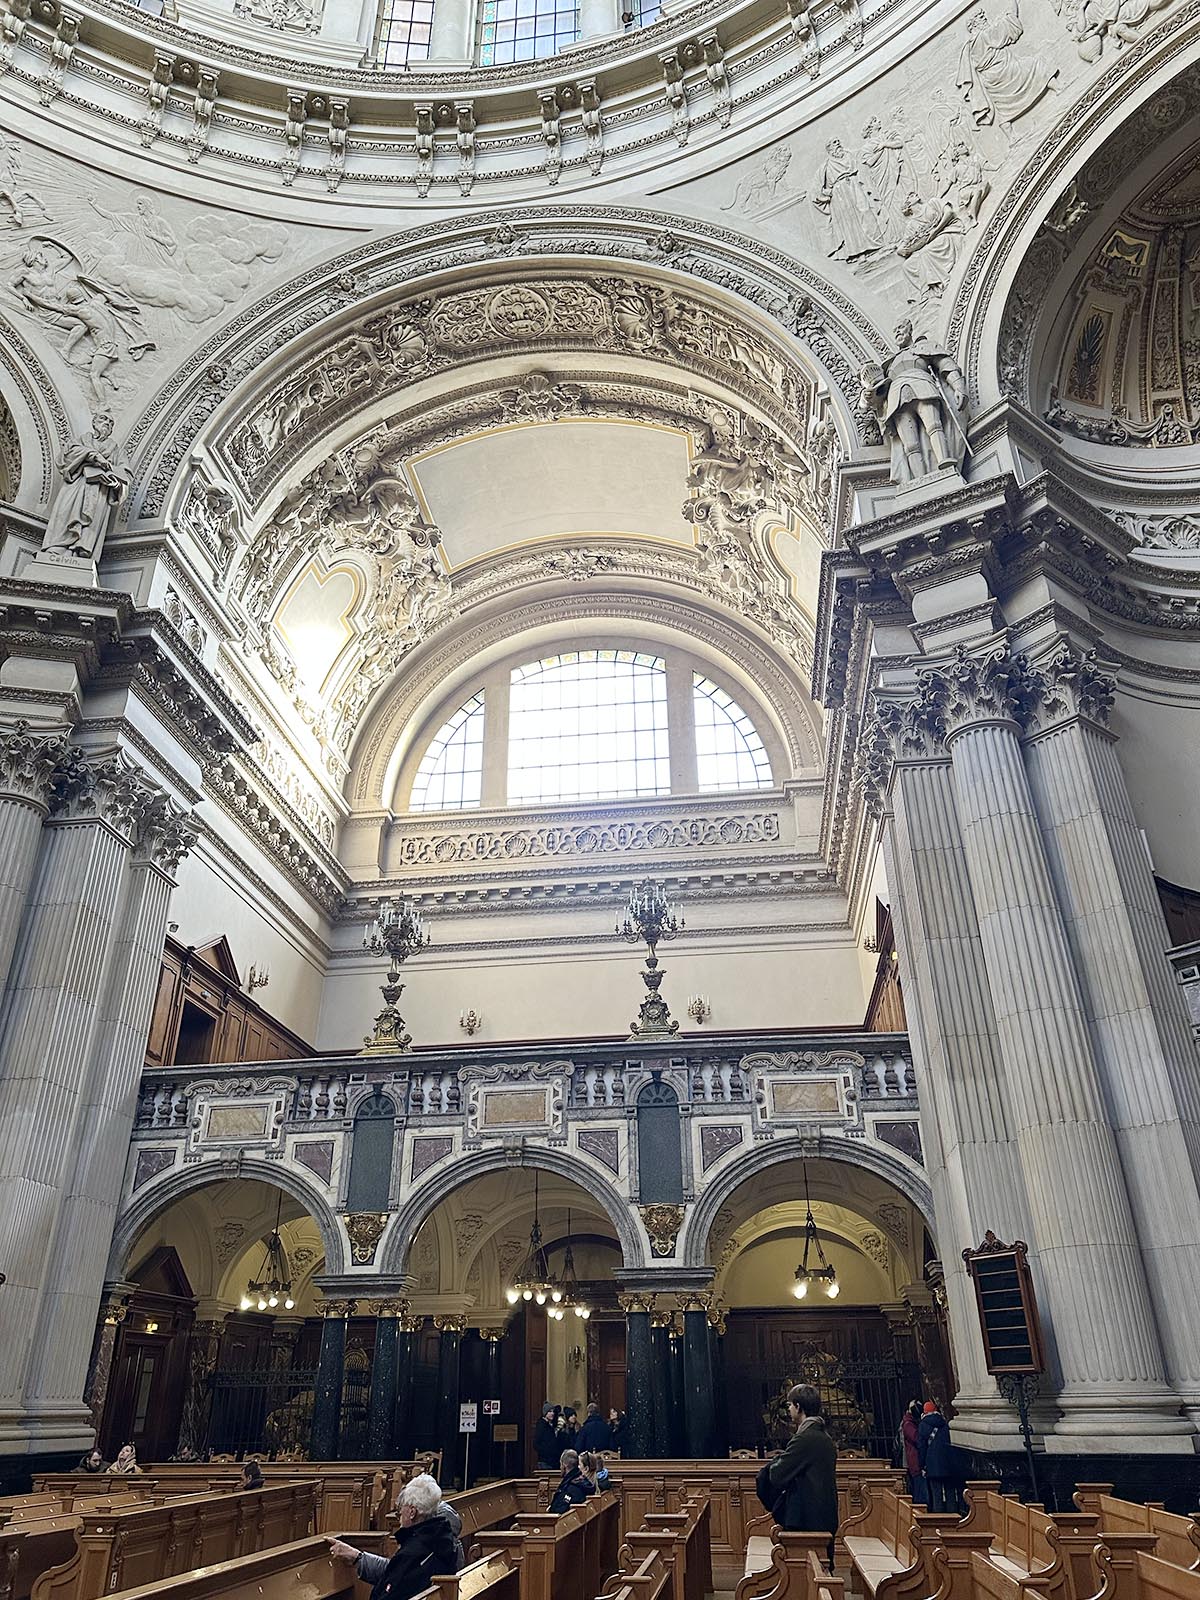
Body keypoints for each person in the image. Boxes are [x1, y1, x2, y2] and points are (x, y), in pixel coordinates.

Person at [330, 1473, 460, 1600]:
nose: (399, 1515)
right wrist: (358, 1557)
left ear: (412, 1512)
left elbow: (390, 1588)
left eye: (401, 1509)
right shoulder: (439, 1537)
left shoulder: (415, 1550)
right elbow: (396, 1573)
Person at [763, 1385, 838, 1567]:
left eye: (790, 1405)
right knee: (821, 1567)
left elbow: (777, 1474)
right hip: (823, 1513)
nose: (788, 1409)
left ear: (798, 1406)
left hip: (808, 1517)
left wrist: (773, 1465)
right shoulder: (824, 1437)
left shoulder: (805, 1438)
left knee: (805, 1569)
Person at [918, 1400, 956, 1512]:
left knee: (936, 1494)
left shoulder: (923, 1425)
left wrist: (922, 1464)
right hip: (947, 1462)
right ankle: (953, 1516)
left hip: (932, 1463)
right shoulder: (944, 1422)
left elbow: (922, 1447)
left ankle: (939, 1518)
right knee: (950, 1493)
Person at [900, 1401, 926, 1505]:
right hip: (915, 1460)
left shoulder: (910, 1422)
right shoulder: (908, 1424)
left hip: (916, 1459)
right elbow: (916, 1438)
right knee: (919, 1489)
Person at [534, 1402, 560, 1469]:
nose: (552, 1413)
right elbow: (536, 1443)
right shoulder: (542, 1425)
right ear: (545, 1413)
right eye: (550, 1411)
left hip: (552, 1460)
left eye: (553, 1411)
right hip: (545, 1460)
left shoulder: (550, 1425)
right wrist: (546, 1452)